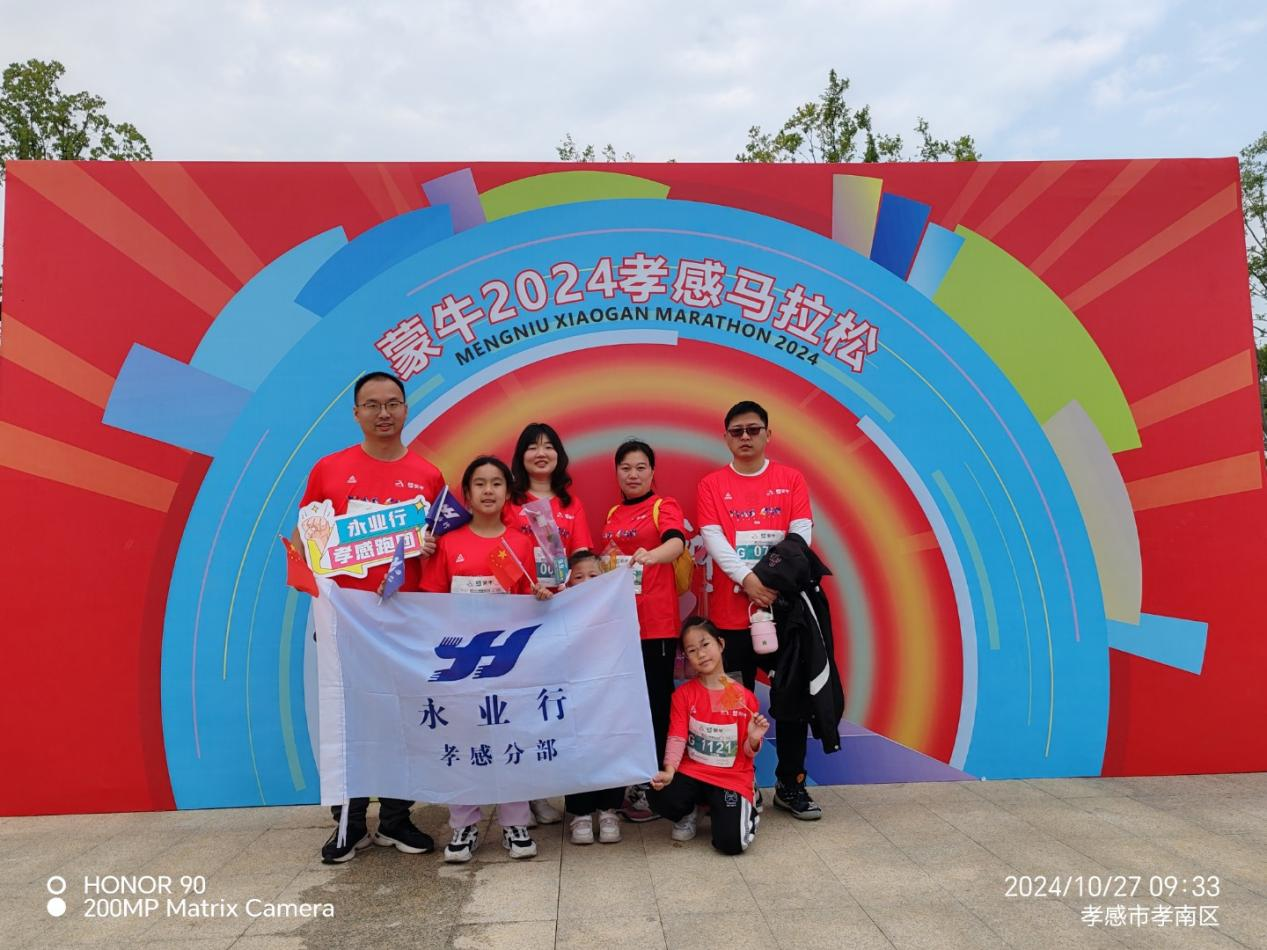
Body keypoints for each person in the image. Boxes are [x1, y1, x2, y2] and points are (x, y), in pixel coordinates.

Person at [299, 371, 445, 864]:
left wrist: (428, 546)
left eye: (393, 403)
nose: (384, 413)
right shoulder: (329, 470)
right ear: (357, 412)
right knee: (349, 718)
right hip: (345, 618)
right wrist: (311, 569)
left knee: (403, 718)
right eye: (373, 404)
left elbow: (439, 550)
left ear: (405, 408)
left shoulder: (428, 476)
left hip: (403, 621)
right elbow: (307, 537)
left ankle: (397, 817)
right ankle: (350, 821)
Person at [419, 455, 553, 863]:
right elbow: (431, 601)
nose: (489, 490)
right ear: (467, 493)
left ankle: (515, 823)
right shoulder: (448, 543)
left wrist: (541, 596)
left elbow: (531, 601)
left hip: (508, 662)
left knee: (511, 741)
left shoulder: (521, 542)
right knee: (464, 742)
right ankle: (463, 826)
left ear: (508, 492)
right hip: (461, 665)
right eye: (480, 483)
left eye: (497, 483)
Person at [695, 400, 822, 819]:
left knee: (793, 702)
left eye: (753, 429)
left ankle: (790, 784)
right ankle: (739, 783)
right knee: (733, 702)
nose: (745, 437)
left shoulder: (791, 479)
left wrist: (769, 583)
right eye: (737, 431)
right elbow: (714, 539)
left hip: (785, 613)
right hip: (732, 619)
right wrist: (748, 581)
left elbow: (800, 538)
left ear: (769, 434)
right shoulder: (711, 485)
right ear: (726, 438)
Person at [506, 422, 594, 827]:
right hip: (517, 615)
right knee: (521, 707)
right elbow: (495, 547)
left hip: (560, 617)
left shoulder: (571, 504)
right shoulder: (510, 501)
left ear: (559, 455)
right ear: (521, 456)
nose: (541, 453)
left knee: (553, 705)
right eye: (532, 447)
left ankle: (551, 787)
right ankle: (528, 794)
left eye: (548, 447)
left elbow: (582, 560)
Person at [598, 440, 686, 822]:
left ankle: (657, 788)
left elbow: (676, 542)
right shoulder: (612, 513)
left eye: (640, 467)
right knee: (626, 708)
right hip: (620, 627)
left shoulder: (663, 506)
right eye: (625, 468)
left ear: (652, 472)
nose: (633, 475)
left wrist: (652, 556)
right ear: (616, 472)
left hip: (656, 627)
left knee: (657, 705)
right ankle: (634, 783)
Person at [647, 617, 767, 854]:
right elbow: (677, 737)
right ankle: (693, 810)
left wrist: (754, 738)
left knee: (731, 844)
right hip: (693, 772)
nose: (701, 654)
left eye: (705, 644)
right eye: (692, 650)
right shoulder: (683, 695)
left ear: (720, 644)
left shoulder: (744, 697)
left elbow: (747, 751)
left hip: (730, 777)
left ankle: (745, 801)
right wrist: (669, 772)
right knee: (659, 795)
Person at [556, 549, 625, 845]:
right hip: (575, 696)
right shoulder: (560, 609)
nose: (586, 582)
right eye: (578, 577)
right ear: (568, 583)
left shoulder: (617, 608)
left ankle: (609, 809)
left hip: (609, 693)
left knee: (611, 743)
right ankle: (580, 812)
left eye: (594, 576)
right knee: (576, 745)